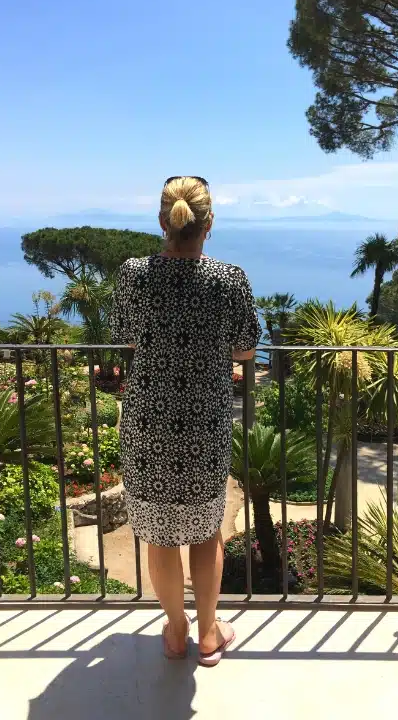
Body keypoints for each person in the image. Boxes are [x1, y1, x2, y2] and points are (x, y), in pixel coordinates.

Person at [110, 176, 261, 666]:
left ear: (162, 222)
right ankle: (209, 635)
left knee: (158, 533)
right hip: (203, 423)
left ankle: (176, 633)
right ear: (209, 224)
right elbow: (245, 347)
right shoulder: (229, 279)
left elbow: (127, 336)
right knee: (204, 531)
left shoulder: (134, 274)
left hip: (148, 421)